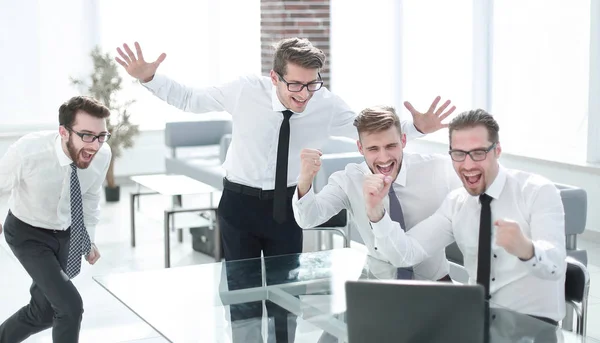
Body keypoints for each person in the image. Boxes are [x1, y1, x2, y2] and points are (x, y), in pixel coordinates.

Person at [115, 37, 453, 342]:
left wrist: (417, 127)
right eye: (295, 84)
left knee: (288, 296)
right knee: (242, 294)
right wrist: (149, 78)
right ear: (274, 77)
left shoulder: (326, 103)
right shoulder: (245, 90)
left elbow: (370, 131)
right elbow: (191, 99)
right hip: (240, 203)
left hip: (288, 207)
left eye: (312, 85)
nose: (304, 94)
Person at [369, 109, 566, 340]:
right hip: (475, 325)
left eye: (479, 153)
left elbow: (556, 266)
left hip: (533, 330)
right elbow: (405, 254)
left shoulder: (536, 191)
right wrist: (376, 213)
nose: (468, 164)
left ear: (498, 151)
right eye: (459, 154)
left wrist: (526, 249)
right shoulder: (456, 203)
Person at [293, 105, 461, 282]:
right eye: (373, 148)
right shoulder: (348, 180)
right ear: (360, 148)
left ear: (403, 140)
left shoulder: (437, 168)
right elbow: (308, 219)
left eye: (391, 146)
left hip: (435, 282)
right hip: (377, 284)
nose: (384, 157)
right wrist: (305, 180)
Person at [0, 96, 112, 343]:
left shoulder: (102, 154)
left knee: (44, 312)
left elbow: (91, 196)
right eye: (87, 135)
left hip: (65, 234)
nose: (95, 145)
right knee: (70, 307)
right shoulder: (28, 152)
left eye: (101, 136)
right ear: (63, 132)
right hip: (27, 233)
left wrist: (88, 238)